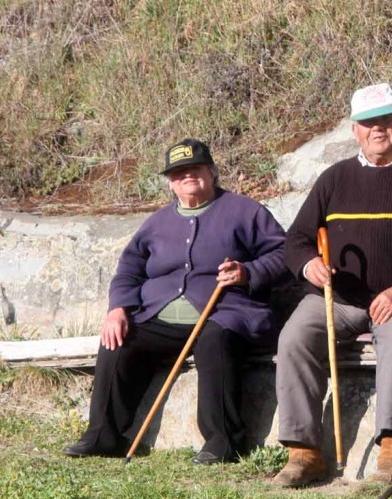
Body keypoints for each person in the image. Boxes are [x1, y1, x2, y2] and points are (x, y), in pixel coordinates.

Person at [272, 82, 392, 488]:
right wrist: (309, 265)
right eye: (368, 123)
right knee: (293, 337)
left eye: (387, 120)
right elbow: (297, 240)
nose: (378, 129)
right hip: (340, 299)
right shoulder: (334, 179)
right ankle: (303, 453)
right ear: (355, 131)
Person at [64, 138, 287, 464]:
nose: (187, 176)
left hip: (226, 311)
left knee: (215, 338)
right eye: (178, 172)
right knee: (119, 340)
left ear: (211, 171)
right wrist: (118, 308)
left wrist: (248, 271)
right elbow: (129, 269)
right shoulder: (156, 223)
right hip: (160, 316)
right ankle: (103, 435)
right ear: (170, 182)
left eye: (194, 169)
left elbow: (284, 254)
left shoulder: (245, 211)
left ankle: (223, 442)